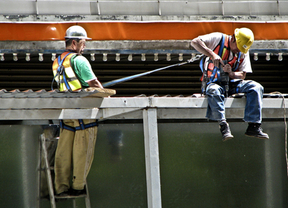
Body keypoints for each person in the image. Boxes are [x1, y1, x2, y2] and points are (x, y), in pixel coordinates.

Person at [191, 28, 269, 141]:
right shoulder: (218, 38)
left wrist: (231, 73)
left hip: (232, 85)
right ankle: (223, 125)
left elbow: (242, 75)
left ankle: (254, 126)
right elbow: (195, 42)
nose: (238, 51)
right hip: (215, 83)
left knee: (256, 87)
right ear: (232, 39)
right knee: (213, 91)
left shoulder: (243, 51)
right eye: (237, 48)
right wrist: (212, 54)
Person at [52, 25, 103, 196]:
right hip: (84, 113)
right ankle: (78, 187)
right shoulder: (79, 60)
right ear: (74, 42)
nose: (85, 46)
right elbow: (94, 84)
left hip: (67, 112)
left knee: (64, 150)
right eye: (83, 42)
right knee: (83, 149)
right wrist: (106, 96)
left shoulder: (58, 61)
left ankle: (61, 187)